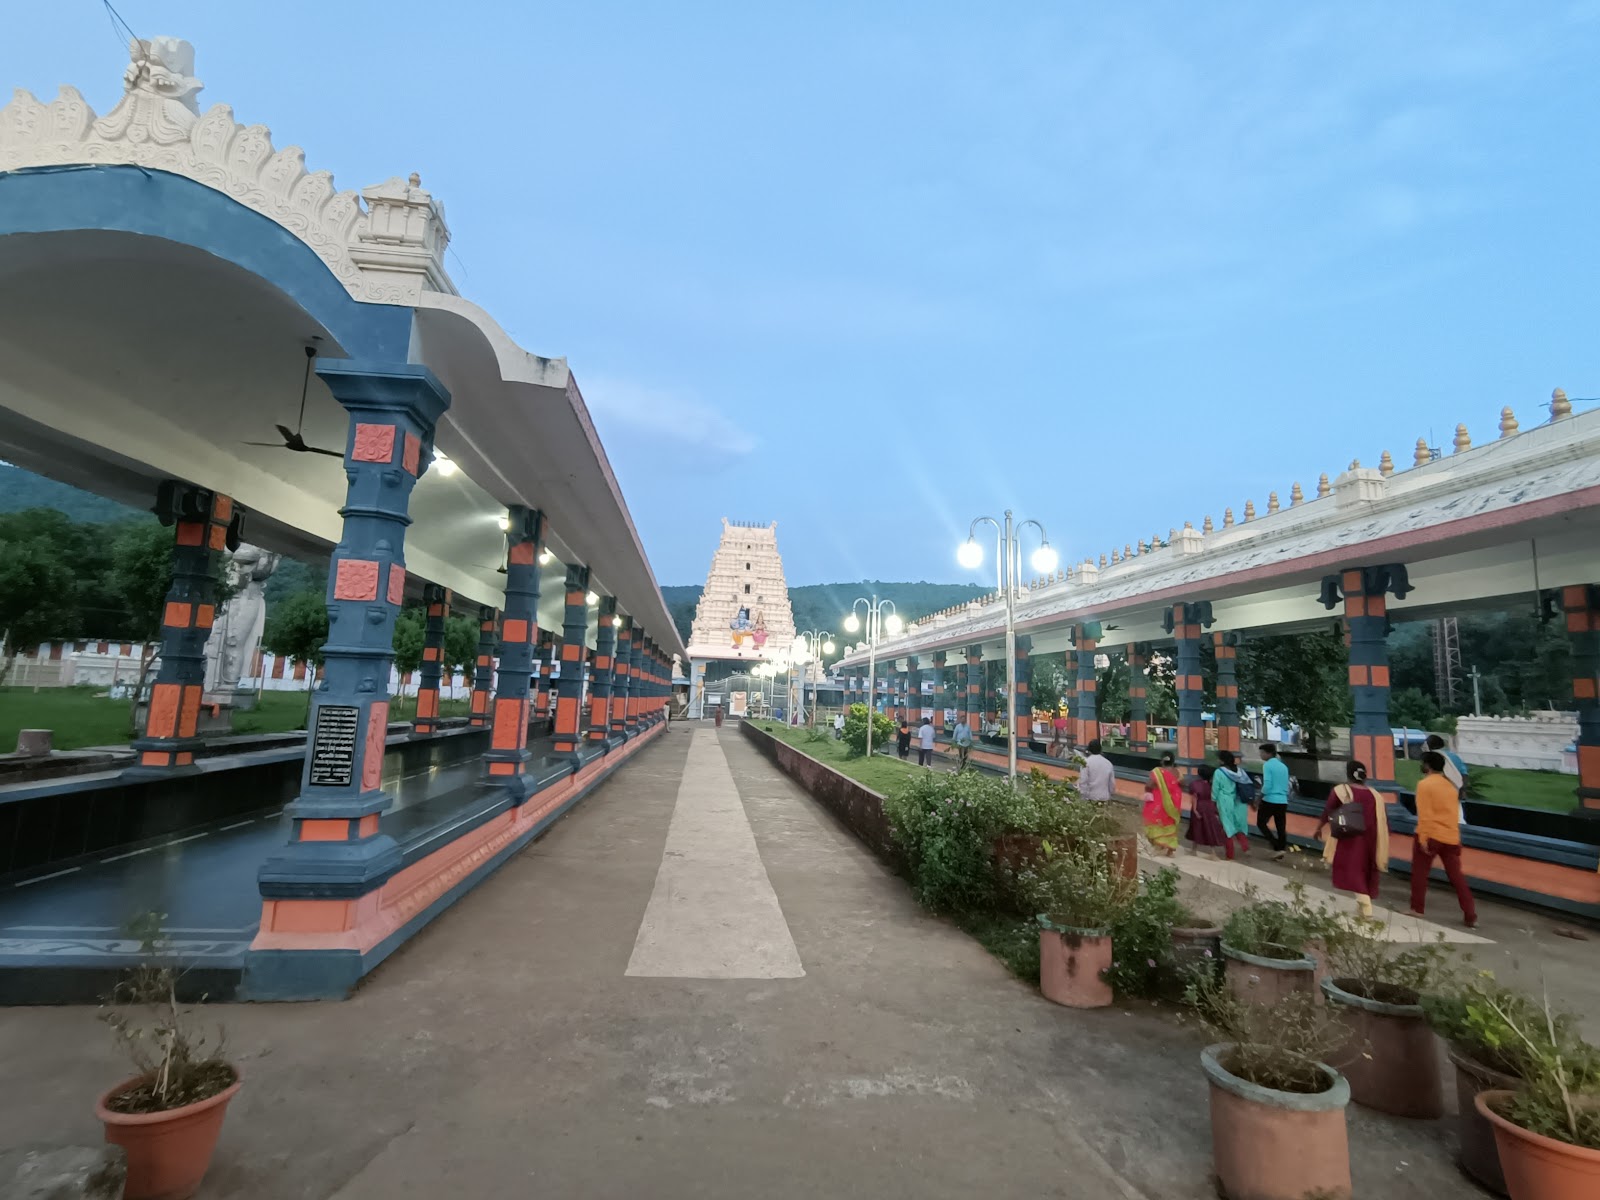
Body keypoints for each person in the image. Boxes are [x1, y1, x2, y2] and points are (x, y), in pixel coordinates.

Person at [1314, 759, 1390, 918]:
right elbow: (1383, 819)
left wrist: (1318, 828)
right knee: (1364, 870)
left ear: (1348, 774)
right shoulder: (1375, 794)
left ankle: (1366, 908)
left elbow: (1328, 810)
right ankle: (1361, 908)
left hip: (1349, 838)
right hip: (1372, 838)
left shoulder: (1340, 790)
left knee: (1352, 871)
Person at [1411, 751, 1477, 928]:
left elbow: (1424, 814)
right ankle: (1470, 914)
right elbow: (1453, 813)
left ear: (1427, 766)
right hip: (1450, 836)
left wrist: (1423, 839)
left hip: (1430, 834)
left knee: (1420, 874)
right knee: (1457, 877)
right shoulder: (1450, 786)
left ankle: (1417, 909)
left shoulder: (1424, 785)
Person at [1185, 764, 1232, 857]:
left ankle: (1194, 850)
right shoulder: (1212, 785)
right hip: (1210, 807)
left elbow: (1194, 797)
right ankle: (1213, 853)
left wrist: (1194, 810)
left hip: (1199, 806)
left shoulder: (1195, 784)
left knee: (1196, 828)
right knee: (1210, 829)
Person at [1212, 750, 1252, 857]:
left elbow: (1215, 789)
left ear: (1222, 760)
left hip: (1225, 801)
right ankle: (1245, 847)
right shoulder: (1240, 771)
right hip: (1239, 801)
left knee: (1227, 827)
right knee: (1239, 825)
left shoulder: (1219, 772)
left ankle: (1230, 854)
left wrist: (1213, 801)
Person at [1142, 751, 1182, 855]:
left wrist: (1149, 791)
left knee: (1156, 823)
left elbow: (1149, 784)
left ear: (1161, 761)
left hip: (1159, 803)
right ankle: (1170, 848)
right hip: (1173, 805)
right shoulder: (1177, 772)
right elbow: (1181, 784)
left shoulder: (1158, 772)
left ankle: (1159, 845)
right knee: (1170, 824)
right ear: (1173, 761)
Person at [1257, 743, 1291, 860]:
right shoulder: (1283, 767)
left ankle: (1275, 844)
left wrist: (1259, 797)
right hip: (1282, 800)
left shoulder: (1267, 765)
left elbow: (1267, 784)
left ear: (1269, 753)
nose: (1261, 755)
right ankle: (1281, 849)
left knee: (1261, 823)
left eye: (1262, 753)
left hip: (1270, 799)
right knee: (1280, 826)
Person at [1426, 734, 1470, 824]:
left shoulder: (1431, 757)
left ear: (1429, 745)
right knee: (1458, 817)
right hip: (1454, 789)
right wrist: (1463, 790)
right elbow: (1464, 774)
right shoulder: (1454, 757)